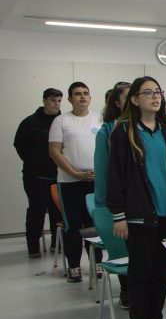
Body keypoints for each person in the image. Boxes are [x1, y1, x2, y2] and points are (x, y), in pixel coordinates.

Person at [108, 76, 166, 319]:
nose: (155, 97)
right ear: (134, 99)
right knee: (140, 271)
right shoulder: (124, 131)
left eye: (158, 92)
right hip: (139, 215)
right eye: (148, 93)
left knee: (161, 272)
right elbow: (115, 176)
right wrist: (118, 215)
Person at [48, 82, 103, 282]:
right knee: (73, 225)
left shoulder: (99, 118)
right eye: (77, 94)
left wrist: (101, 172)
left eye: (85, 93)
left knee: (95, 224)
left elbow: (108, 148)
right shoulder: (61, 121)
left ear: (90, 97)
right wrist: (74, 173)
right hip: (69, 182)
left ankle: (97, 263)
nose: (82, 97)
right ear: (70, 99)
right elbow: (54, 151)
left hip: (96, 181)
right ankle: (74, 266)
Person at [94, 81, 131, 307]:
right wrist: (104, 207)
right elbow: (102, 171)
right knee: (123, 247)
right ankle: (126, 289)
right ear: (117, 103)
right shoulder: (107, 131)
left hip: (143, 201)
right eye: (128, 96)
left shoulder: (148, 127)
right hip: (119, 201)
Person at [14, 88, 63, 257]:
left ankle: (56, 243)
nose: (56, 104)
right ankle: (33, 244)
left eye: (59, 101)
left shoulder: (63, 122)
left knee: (58, 211)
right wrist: (35, 163)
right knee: (37, 210)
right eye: (53, 100)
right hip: (35, 176)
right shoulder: (30, 122)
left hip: (59, 175)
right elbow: (19, 145)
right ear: (44, 101)